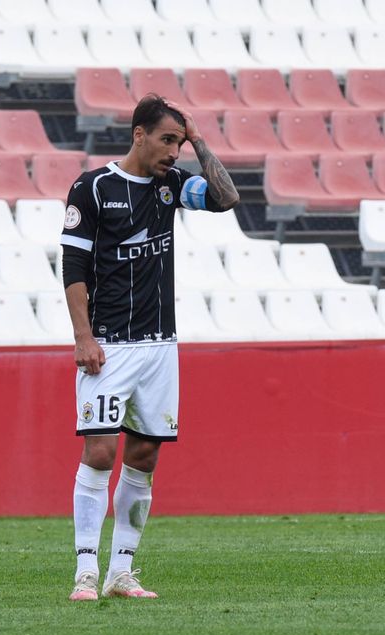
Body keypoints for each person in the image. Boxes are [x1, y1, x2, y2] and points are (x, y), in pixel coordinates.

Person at [59, 95, 239, 602]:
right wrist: (83, 336)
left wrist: (200, 141)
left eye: (179, 144)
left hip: (160, 345)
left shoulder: (173, 185)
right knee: (99, 451)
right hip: (109, 346)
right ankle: (85, 572)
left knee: (143, 456)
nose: (173, 153)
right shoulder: (93, 187)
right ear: (138, 134)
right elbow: (73, 267)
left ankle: (122, 572)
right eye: (167, 140)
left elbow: (227, 200)